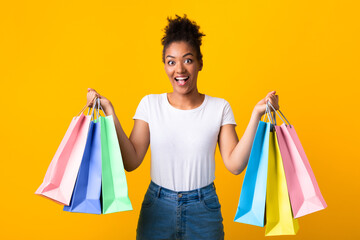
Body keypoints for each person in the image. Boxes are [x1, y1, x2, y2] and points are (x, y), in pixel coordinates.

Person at [86, 14, 279, 240]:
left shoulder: (220, 108)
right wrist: (110, 112)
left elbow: (235, 165)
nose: (179, 69)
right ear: (165, 65)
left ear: (200, 63)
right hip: (157, 207)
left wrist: (257, 115)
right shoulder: (150, 104)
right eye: (171, 61)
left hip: (203, 209)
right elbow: (131, 161)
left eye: (187, 60)